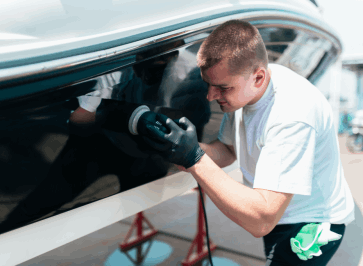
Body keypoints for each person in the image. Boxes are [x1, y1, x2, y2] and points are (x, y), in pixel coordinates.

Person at [140, 20, 355, 265]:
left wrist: (195, 159)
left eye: (222, 87)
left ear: (259, 77)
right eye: (208, 85)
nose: (211, 96)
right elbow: (229, 150)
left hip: (312, 223)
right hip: (279, 213)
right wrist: (183, 147)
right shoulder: (245, 86)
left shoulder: (292, 115)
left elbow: (261, 220)